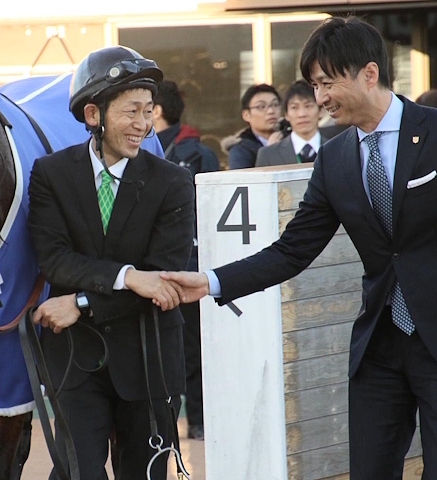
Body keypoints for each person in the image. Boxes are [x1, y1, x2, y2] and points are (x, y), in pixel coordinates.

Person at [162, 16, 437, 480]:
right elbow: (292, 250)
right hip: (379, 348)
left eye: (326, 82)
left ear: (368, 73)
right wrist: (211, 281)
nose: (318, 98)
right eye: (312, 85)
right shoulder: (335, 158)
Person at [27, 46, 195, 480]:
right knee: (77, 472)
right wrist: (128, 276)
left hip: (149, 356)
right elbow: (55, 259)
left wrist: (80, 303)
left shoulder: (174, 183)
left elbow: (165, 282)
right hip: (74, 359)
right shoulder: (50, 174)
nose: (143, 125)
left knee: (142, 473)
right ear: (92, 114)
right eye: (131, 111)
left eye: (149, 111)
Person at [152, 79, 219, 441]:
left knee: (192, 349)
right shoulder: (139, 151)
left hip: (190, 269)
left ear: (157, 111)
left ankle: (197, 420)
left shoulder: (196, 153)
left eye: (145, 107)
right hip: (148, 273)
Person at [256, 80, 328, 167]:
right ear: (286, 115)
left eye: (308, 106)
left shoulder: (337, 149)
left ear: (321, 111)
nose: (302, 114)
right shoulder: (268, 155)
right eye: (294, 107)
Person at [220, 84, 281, 169]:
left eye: (275, 105)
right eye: (261, 106)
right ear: (246, 115)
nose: (271, 111)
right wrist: (268, 153)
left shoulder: (290, 139)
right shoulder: (240, 151)